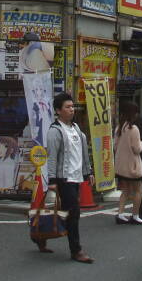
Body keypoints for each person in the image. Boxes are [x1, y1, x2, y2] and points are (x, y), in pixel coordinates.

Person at [43, 92, 94, 263]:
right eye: (67, 107)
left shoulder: (76, 129)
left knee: (64, 213)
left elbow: (82, 154)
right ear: (58, 110)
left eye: (72, 106)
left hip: (76, 177)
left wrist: (88, 172)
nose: (71, 109)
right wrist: (52, 181)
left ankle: (40, 235)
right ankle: (76, 250)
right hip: (63, 179)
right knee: (73, 213)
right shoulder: (55, 131)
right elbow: (51, 158)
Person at [114, 101, 142, 225]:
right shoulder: (134, 129)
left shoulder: (119, 127)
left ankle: (120, 213)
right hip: (133, 165)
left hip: (121, 165)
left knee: (125, 190)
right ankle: (135, 215)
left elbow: (115, 146)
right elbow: (137, 148)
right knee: (138, 189)